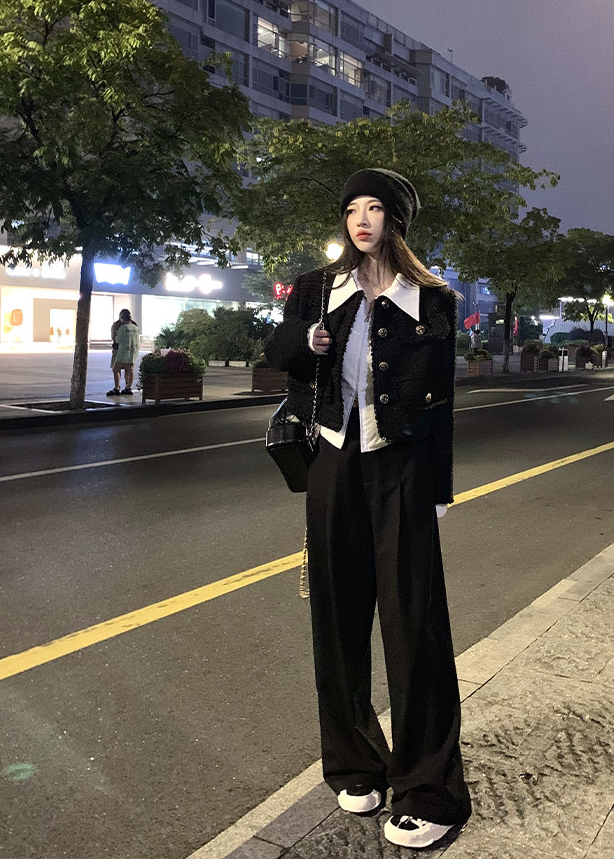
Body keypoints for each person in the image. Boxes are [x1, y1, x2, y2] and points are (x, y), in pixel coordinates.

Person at [264, 168, 471, 850]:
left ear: (396, 219)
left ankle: (429, 788)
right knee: (337, 619)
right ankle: (355, 763)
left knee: (414, 624)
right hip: (331, 460)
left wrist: (437, 490)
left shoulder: (432, 299)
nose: (361, 219)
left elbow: (441, 407)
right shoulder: (317, 287)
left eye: (375, 207)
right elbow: (278, 351)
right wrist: (307, 342)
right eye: (352, 207)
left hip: (401, 467)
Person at [112, 309, 140, 396]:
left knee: (116, 369)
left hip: (123, 352)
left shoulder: (123, 327)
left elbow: (118, 340)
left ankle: (117, 388)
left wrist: (117, 337)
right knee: (130, 369)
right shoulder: (135, 328)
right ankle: (128, 387)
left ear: (122, 318)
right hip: (133, 352)